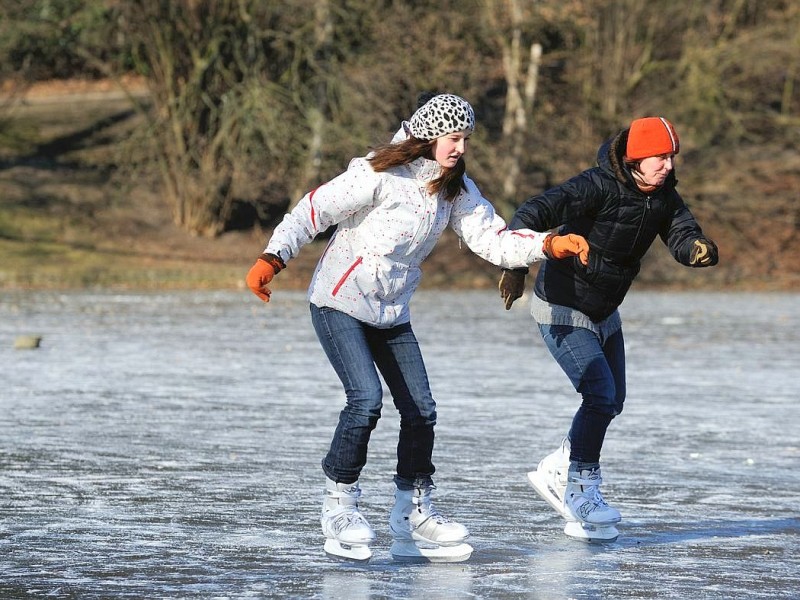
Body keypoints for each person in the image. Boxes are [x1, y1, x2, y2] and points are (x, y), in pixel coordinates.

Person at [246, 93, 590, 562]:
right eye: (454, 138)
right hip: (339, 301)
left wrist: (548, 245)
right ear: (429, 137)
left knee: (421, 409)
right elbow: (313, 210)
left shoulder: (454, 189)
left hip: (391, 311)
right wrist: (273, 257)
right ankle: (340, 505)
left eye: (466, 139)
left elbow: (493, 238)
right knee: (365, 400)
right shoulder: (377, 175)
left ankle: (413, 510)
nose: (460, 148)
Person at [499, 116, 719, 543]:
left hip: (604, 310)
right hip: (562, 305)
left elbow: (681, 229)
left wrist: (695, 248)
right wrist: (514, 263)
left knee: (613, 399)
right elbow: (533, 210)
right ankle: (580, 487)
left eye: (672, 157)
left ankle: (560, 465)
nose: (668, 166)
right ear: (635, 158)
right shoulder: (595, 186)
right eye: (660, 157)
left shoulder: (663, 196)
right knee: (598, 394)